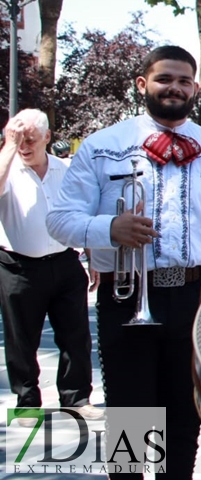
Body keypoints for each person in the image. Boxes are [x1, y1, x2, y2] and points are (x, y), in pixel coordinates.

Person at [47, 46, 201, 480]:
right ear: (143, 84)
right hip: (127, 295)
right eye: (165, 79)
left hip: (196, 294)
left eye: (184, 80)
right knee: (132, 414)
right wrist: (109, 229)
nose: (175, 88)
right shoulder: (105, 146)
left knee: (184, 414)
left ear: (195, 88)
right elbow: (60, 219)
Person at [0, 109, 100, 427]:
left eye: (30, 139)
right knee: (21, 340)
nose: (25, 146)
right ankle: (27, 402)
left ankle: (77, 398)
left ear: (47, 137)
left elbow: (81, 213)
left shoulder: (65, 170)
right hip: (18, 266)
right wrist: (8, 146)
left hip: (65, 262)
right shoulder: (8, 166)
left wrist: (92, 254)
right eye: (19, 139)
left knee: (75, 335)